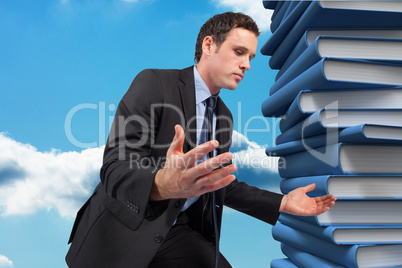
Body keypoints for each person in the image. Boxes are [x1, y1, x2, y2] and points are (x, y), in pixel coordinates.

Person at [65, 12, 336, 268]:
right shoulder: (154, 83)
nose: (247, 64)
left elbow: (218, 183)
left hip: (176, 229)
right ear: (209, 45)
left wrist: (281, 203)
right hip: (124, 228)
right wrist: (162, 184)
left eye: (250, 57)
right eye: (239, 52)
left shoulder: (224, 116)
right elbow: (116, 166)